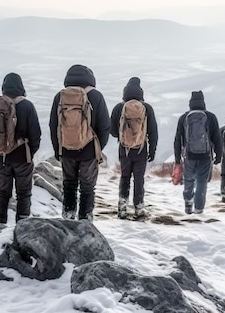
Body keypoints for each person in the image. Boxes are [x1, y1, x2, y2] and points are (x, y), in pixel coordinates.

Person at [49, 64, 110, 221]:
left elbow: (53, 125)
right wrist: (97, 148)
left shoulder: (60, 96)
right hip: (89, 150)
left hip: (67, 150)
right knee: (87, 188)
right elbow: (104, 126)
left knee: (69, 185)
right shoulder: (96, 96)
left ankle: (68, 218)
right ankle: (85, 221)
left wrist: (58, 149)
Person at [0, 72, 41, 224]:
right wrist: (29, 153)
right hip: (22, 158)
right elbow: (36, 134)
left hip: (0, 157)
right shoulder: (27, 106)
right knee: (24, 194)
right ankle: (22, 227)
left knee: (2, 193)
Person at [110, 77, 158, 219]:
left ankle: (122, 208)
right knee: (138, 179)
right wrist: (152, 150)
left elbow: (112, 131)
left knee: (125, 177)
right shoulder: (147, 108)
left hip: (124, 149)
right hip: (141, 149)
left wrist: (122, 135)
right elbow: (153, 132)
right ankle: (139, 209)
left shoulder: (119, 108)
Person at [173, 90, 222, 214]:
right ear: (203, 102)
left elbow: (178, 140)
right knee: (202, 181)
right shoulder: (211, 117)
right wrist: (218, 155)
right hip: (205, 155)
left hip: (189, 155)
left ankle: (188, 204)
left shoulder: (184, 118)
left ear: (190, 103)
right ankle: (199, 209)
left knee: (189, 179)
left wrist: (177, 159)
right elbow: (217, 138)